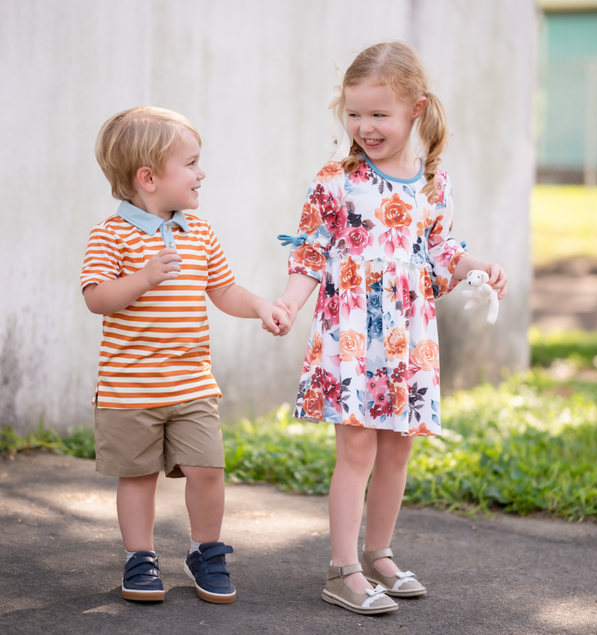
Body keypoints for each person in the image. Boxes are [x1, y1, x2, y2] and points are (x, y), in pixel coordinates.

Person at [274, 42, 507, 615]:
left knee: (397, 451)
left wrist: (479, 268)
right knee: (355, 451)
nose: (364, 126)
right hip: (352, 337)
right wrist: (286, 304)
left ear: (416, 110)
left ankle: (378, 552)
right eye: (354, 113)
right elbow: (310, 254)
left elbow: (441, 256)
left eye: (379, 114)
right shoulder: (337, 179)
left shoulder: (433, 183)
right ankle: (342, 567)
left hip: (408, 338)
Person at [81, 106, 290, 603]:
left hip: (192, 383)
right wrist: (143, 277)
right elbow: (96, 298)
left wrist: (260, 305)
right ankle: (140, 557)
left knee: (207, 470)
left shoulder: (199, 234)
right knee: (137, 477)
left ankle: (205, 550)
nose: (202, 173)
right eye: (192, 163)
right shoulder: (111, 235)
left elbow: (223, 290)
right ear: (148, 178)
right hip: (128, 388)